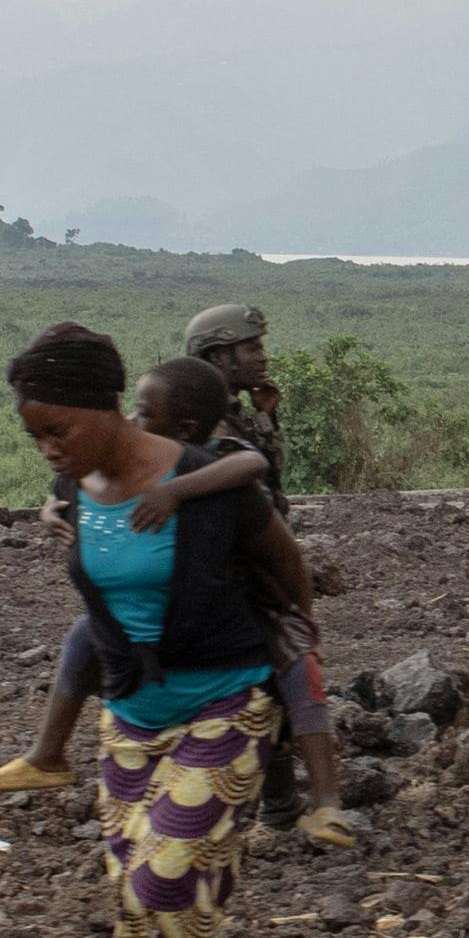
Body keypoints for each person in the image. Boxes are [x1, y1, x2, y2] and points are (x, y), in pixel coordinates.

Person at [11, 326, 313, 938]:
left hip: (225, 705)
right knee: (140, 912)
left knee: (163, 887)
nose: (46, 449)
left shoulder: (204, 480)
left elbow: (287, 567)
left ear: (103, 407)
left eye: (57, 429)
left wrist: (298, 669)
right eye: (34, 434)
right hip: (132, 721)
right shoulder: (78, 492)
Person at [178, 301, 354, 838]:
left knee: (272, 682)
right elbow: (248, 497)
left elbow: (270, 490)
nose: (262, 356)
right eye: (251, 348)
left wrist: (267, 418)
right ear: (219, 356)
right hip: (236, 574)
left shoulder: (239, 413)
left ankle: (279, 806)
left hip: (260, 566)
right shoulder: (198, 423)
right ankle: (282, 804)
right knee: (276, 677)